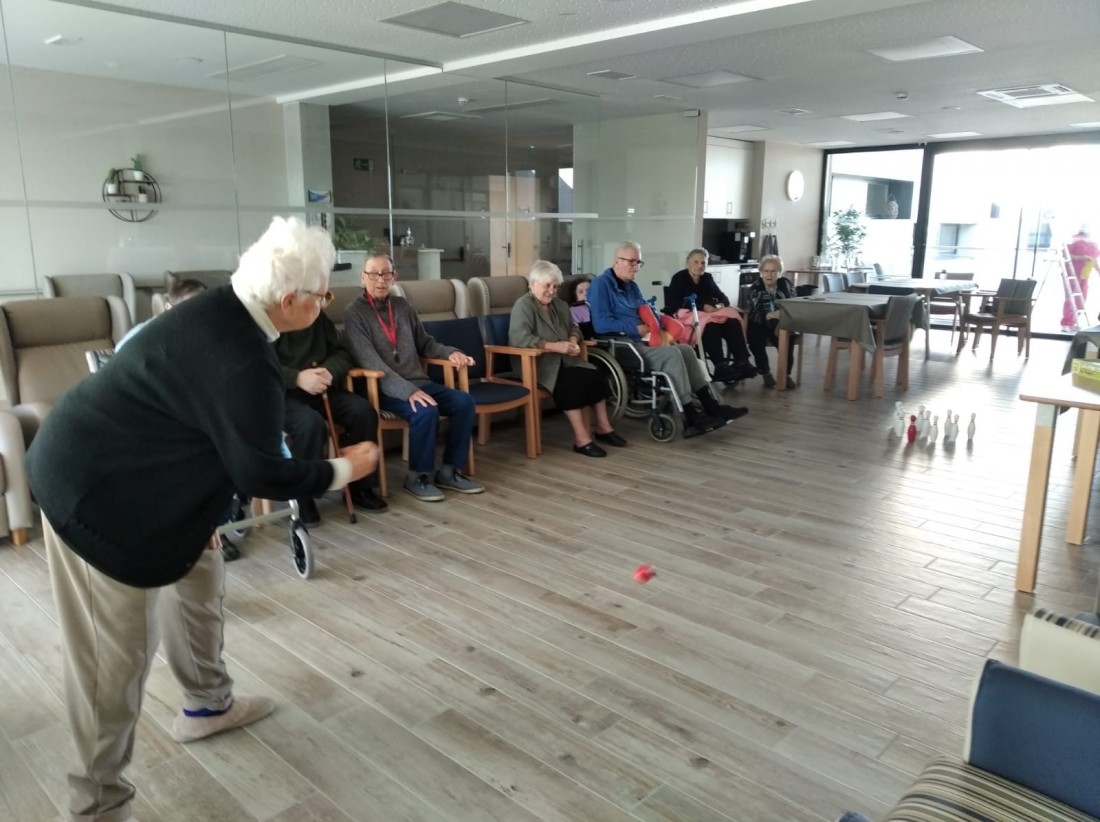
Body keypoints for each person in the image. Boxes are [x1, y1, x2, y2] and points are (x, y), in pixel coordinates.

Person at [25, 216, 379, 822]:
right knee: (113, 663)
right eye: (323, 297)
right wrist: (345, 468)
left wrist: (202, 512)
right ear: (289, 300)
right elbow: (261, 473)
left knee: (200, 575)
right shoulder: (242, 354)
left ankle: (207, 705)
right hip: (95, 497)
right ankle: (95, 804)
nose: (325, 306)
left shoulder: (223, 311)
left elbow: (199, 426)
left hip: (148, 483)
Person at [343, 253, 485, 501]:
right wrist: (408, 392)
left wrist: (451, 353)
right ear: (363, 277)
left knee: (464, 402)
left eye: (386, 273)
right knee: (425, 411)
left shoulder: (402, 306)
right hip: (383, 388)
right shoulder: (354, 313)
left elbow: (426, 344)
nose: (380, 279)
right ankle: (418, 477)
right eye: (374, 274)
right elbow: (370, 362)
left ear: (394, 277)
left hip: (419, 383)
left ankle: (450, 471)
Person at [588, 241, 747, 436]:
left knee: (686, 350)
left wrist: (662, 326)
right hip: (623, 345)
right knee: (672, 355)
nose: (636, 267)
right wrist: (634, 328)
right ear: (617, 261)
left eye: (638, 262)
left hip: (644, 340)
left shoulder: (632, 286)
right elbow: (601, 324)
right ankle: (690, 415)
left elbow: (646, 311)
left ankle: (711, 406)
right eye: (631, 262)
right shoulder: (600, 285)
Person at [276, 307, 386, 523]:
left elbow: (341, 353)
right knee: (310, 424)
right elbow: (259, 366)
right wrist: (297, 378)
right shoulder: (269, 317)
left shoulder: (316, 314)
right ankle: (302, 495)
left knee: (362, 411)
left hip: (322, 387)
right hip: (283, 396)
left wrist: (329, 371)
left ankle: (359, 487)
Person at [510, 261, 627, 457]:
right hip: (537, 364)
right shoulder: (523, 306)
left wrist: (572, 340)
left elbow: (574, 328)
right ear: (533, 284)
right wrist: (554, 346)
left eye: (555, 286)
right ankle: (582, 440)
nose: (552, 291)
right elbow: (519, 339)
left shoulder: (560, 305)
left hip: (564, 360)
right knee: (570, 383)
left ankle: (603, 428)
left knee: (595, 375)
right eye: (547, 285)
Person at [665, 248, 756, 383]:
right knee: (711, 325)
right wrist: (702, 307)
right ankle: (720, 367)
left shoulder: (707, 278)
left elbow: (722, 297)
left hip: (709, 314)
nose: (700, 266)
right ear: (688, 263)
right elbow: (673, 303)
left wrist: (720, 305)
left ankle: (742, 361)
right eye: (696, 262)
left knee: (732, 321)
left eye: (703, 263)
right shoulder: (679, 278)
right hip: (688, 316)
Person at [746, 254, 796, 388]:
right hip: (761, 322)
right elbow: (754, 313)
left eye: (773, 271)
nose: (769, 274)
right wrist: (769, 315)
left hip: (781, 321)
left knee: (788, 338)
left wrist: (781, 315)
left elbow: (793, 303)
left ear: (779, 272)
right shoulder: (755, 289)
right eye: (766, 271)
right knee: (754, 337)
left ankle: (785, 375)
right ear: (761, 273)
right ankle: (765, 372)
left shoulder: (785, 284)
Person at [116, 277, 208, 349]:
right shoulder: (149, 331)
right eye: (189, 307)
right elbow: (121, 351)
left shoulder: (205, 328)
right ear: (169, 307)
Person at [1063, 225, 1100, 332]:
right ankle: (1067, 322)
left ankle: (1073, 321)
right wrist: (1080, 257)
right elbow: (1066, 254)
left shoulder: (1092, 244)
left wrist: (1098, 271)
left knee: (1082, 299)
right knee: (1070, 299)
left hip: (1084, 274)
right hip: (1072, 273)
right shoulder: (1074, 241)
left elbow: (1094, 259)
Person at [563, 275, 594, 340]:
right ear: (575, 297)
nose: (585, 294)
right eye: (580, 292)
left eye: (588, 290)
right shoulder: (573, 311)